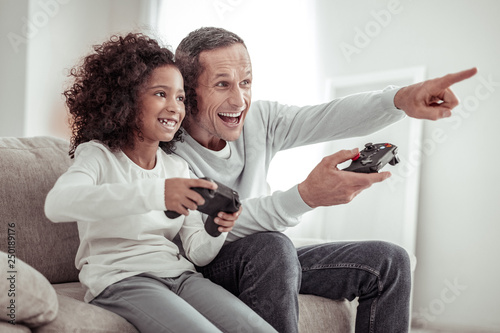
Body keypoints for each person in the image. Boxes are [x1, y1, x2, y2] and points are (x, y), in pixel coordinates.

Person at [171, 27, 478, 333]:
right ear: (187, 92)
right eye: (222, 84)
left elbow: (328, 117)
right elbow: (205, 234)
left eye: (246, 82)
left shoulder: (258, 120)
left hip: (270, 261)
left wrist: (399, 99)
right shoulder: (168, 148)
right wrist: (305, 196)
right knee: (272, 245)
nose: (239, 100)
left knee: (389, 262)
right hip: (205, 264)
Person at [44, 32, 277, 333]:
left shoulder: (177, 166)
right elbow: (57, 204)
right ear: (125, 99)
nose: (175, 107)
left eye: (180, 97)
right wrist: (158, 194)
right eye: (160, 94)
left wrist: (216, 227)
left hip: (180, 276)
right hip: (122, 279)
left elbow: (197, 251)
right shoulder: (99, 156)